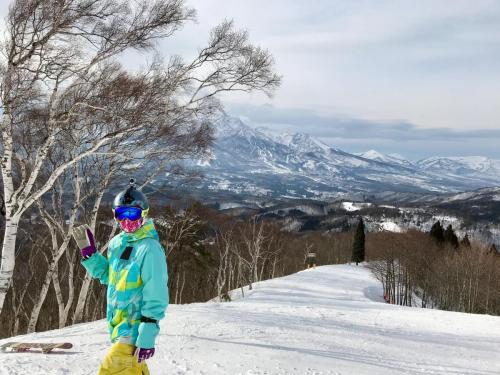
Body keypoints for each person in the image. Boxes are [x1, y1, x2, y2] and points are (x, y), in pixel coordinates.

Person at [73, 179, 168, 375]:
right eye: (121, 214)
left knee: (110, 371)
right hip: (117, 324)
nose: (127, 221)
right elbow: (111, 277)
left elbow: (156, 293)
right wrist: (91, 256)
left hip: (134, 329)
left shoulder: (149, 249)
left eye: (132, 214)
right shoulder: (117, 243)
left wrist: (147, 336)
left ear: (143, 214)